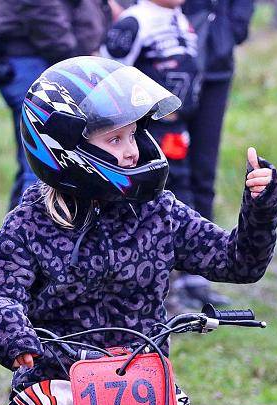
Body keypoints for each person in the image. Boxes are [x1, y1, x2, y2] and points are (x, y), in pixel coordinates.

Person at [0, 56, 277, 405]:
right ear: (65, 148)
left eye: (134, 134)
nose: (133, 150)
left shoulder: (157, 211)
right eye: (115, 139)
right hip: (57, 384)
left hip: (142, 379)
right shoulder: (31, 221)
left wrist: (260, 207)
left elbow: (236, 261)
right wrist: (9, 330)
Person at [99, 0, 210, 309]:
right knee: (148, 206)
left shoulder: (183, 20)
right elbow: (108, 75)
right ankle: (157, 292)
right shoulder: (135, 21)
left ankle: (190, 281)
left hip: (179, 128)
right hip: (146, 133)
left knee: (182, 196)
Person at [0, 0, 112, 210]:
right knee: (43, 163)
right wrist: (74, 59)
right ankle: (34, 237)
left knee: (33, 161)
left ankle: (15, 236)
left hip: (39, 58)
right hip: (36, 59)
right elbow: (40, 9)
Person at [178, 0, 255, 306]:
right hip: (168, 68)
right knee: (169, 173)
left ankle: (197, 277)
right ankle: (169, 278)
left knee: (203, 172)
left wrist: (231, 29)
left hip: (216, 66)